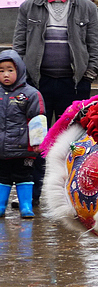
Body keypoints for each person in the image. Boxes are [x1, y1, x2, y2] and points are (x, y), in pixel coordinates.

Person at [12, 0, 98, 204]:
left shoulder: (86, 7)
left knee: (72, 140)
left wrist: (89, 75)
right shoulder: (28, 7)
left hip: (74, 85)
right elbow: (19, 45)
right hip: (37, 85)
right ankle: (34, 193)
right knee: (36, 139)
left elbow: (95, 45)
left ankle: (71, 194)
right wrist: (23, 79)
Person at [0, 50, 45, 219]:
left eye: (10, 70)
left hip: (23, 148)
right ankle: (1, 205)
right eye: (1, 70)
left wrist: (37, 143)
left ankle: (26, 206)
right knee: (2, 177)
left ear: (19, 70)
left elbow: (37, 120)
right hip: (2, 148)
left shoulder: (31, 94)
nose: (6, 74)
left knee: (24, 176)